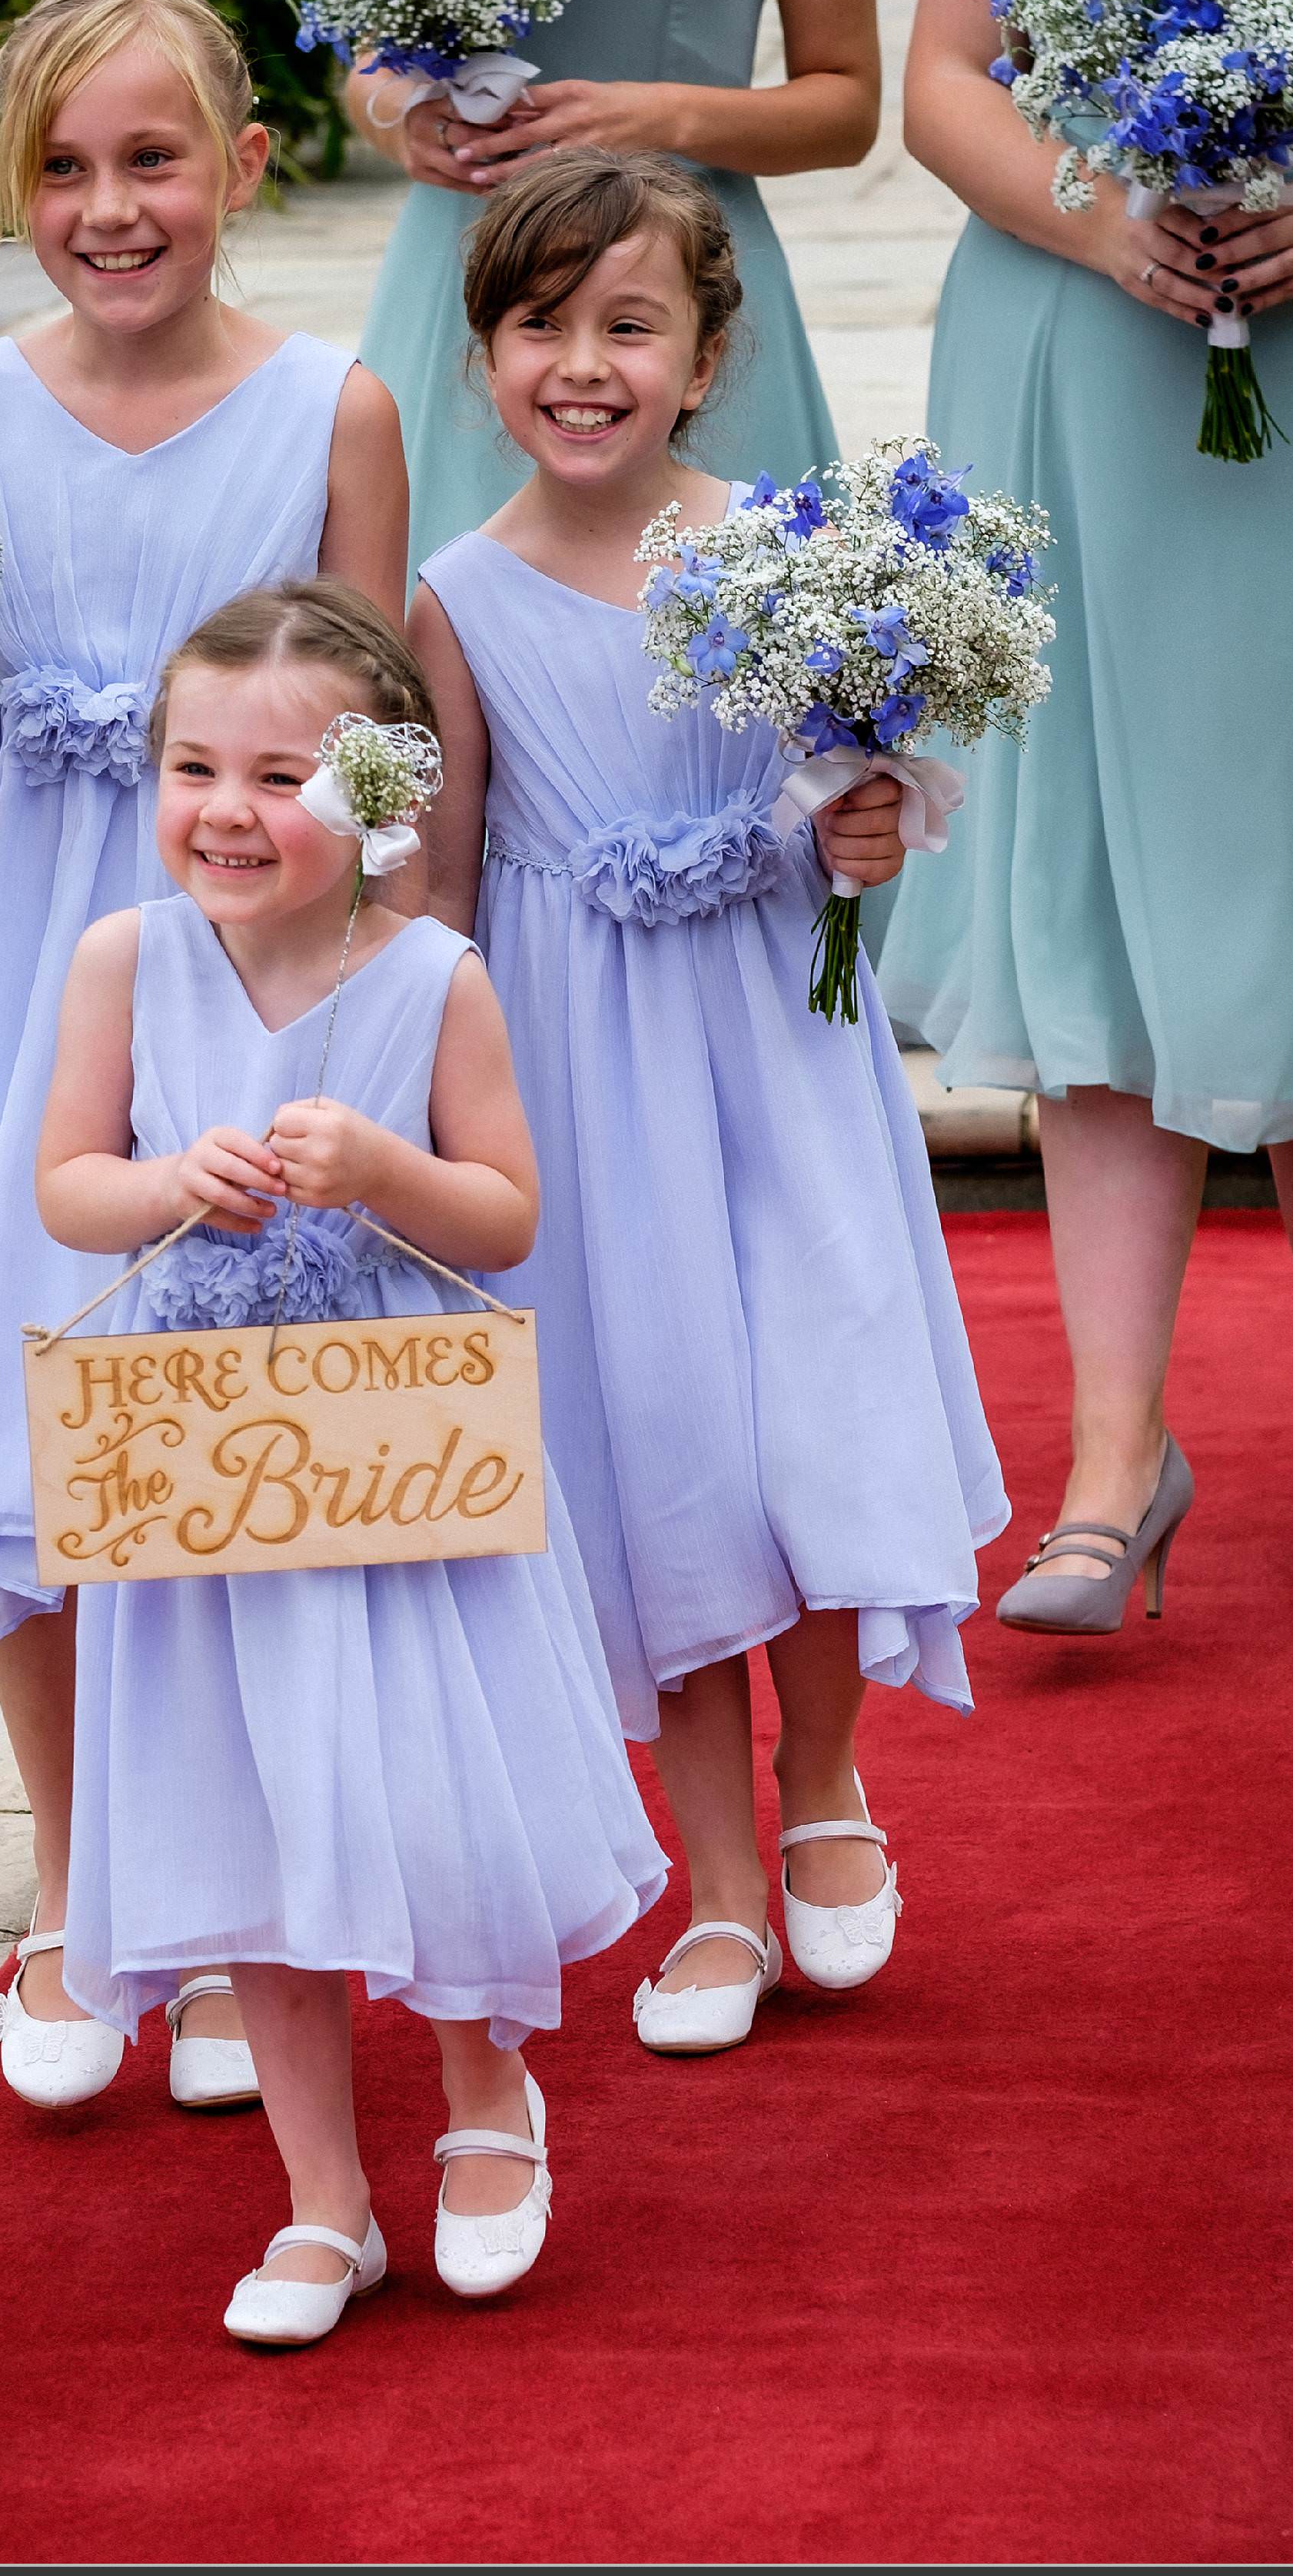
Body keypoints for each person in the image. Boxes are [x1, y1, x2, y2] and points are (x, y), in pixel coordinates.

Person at [0, 0, 409, 2109]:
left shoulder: (335, 408)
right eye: (62, 166)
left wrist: (384, 1008)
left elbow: (386, 761)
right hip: (37, 971)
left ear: (240, 166)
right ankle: (72, 1883)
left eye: (152, 159)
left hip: (253, 975)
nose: (109, 206)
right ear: (10, 186)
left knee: (214, 1424)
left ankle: (229, 1898)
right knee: (27, 1400)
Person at [412, 150, 1006, 2059]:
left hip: (772, 1040)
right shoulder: (452, 599)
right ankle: (720, 1888)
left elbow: (875, 803)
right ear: (486, 351)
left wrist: (870, 821)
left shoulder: (785, 556)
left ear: (704, 353)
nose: (580, 364)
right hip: (578, 1074)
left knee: (799, 1418)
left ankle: (825, 1782)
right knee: (654, 1446)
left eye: (627, 325)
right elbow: (436, 879)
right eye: (538, 325)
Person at [37, 579, 666, 2345]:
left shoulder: (433, 978)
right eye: (194, 767)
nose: (228, 813)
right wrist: (172, 1184)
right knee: (245, 1825)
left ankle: (485, 2106)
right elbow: (68, 1182)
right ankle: (326, 2202)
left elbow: (512, 1214)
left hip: (400, 1468)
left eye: (282, 775)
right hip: (212, 1475)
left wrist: (383, 1170)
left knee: (429, 1796)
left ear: (379, 788)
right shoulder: (123, 963)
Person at [876, 0, 1293, 1627]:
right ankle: (1114, 1458)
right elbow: (941, 87)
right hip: (1082, 353)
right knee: (1095, 873)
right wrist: (1098, 214)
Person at [348, 0, 880, 573]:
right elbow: (370, 70)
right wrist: (402, 124)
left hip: (677, 269)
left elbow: (848, 107)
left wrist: (658, 118)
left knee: (745, 637)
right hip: (476, 265)